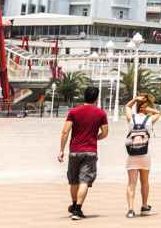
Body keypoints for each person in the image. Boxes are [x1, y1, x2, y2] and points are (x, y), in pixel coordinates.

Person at [58, 86, 109, 221]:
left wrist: (61, 150)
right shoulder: (101, 113)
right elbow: (105, 133)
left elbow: (65, 132)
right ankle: (78, 209)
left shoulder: (74, 112)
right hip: (90, 151)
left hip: (75, 151)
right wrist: (95, 137)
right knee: (84, 181)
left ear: (84, 96)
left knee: (73, 181)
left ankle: (74, 205)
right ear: (96, 98)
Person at [124, 92, 161, 218]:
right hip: (145, 155)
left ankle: (130, 210)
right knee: (145, 182)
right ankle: (144, 206)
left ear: (137, 106)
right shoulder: (149, 120)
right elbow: (158, 113)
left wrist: (135, 99)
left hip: (132, 154)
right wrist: (148, 108)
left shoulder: (132, 119)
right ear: (146, 107)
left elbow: (127, 107)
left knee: (131, 183)